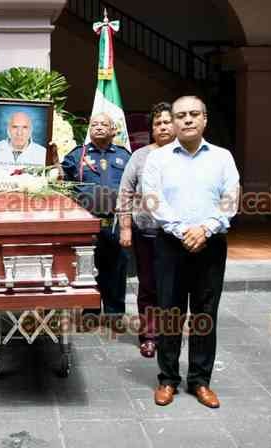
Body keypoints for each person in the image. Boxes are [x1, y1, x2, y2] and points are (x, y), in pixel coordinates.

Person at [142, 96, 239, 409]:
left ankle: (200, 380)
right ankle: (168, 379)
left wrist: (206, 228)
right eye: (180, 115)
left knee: (205, 314)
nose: (187, 120)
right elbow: (152, 199)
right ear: (172, 121)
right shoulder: (158, 159)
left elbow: (230, 199)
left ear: (204, 119)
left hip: (211, 245)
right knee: (170, 313)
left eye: (193, 114)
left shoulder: (222, 158)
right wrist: (183, 229)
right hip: (171, 244)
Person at [62, 112, 130, 329]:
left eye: (104, 124)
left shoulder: (124, 155)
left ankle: (114, 314)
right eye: (94, 124)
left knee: (117, 269)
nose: (99, 127)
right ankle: (90, 312)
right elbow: (61, 181)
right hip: (87, 223)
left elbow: (134, 185)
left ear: (113, 130)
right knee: (88, 268)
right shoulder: (77, 155)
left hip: (115, 222)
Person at [118, 102, 175, 358]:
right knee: (149, 285)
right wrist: (125, 228)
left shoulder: (186, 155)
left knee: (174, 287)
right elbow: (125, 192)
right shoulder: (140, 156)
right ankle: (149, 336)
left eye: (167, 122)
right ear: (151, 129)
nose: (162, 126)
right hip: (146, 233)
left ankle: (170, 335)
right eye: (157, 123)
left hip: (177, 236)